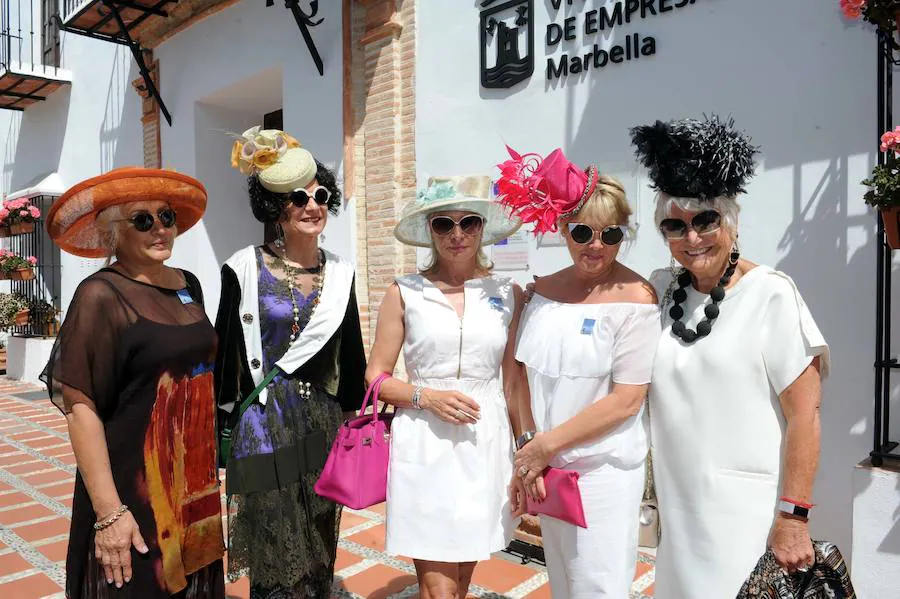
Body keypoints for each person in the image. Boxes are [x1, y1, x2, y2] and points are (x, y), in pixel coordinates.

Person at [630, 115, 830, 598]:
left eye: (705, 220)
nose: (692, 237)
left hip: (749, 513)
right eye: (675, 226)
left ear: (730, 221)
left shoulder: (771, 295)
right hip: (681, 514)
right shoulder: (658, 290)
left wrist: (793, 516)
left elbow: (805, 415)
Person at [41, 168, 224, 597]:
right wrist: (108, 513)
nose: (159, 228)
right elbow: (80, 405)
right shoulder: (101, 295)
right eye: (142, 220)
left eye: (166, 217)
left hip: (191, 484)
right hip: (134, 491)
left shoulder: (187, 285)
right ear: (113, 234)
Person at [498, 147, 660, 598]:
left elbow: (627, 400)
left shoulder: (636, 298)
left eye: (610, 234)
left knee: (598, 586)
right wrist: (528, 444)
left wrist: (542, 448)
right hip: (546, 467)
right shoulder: (541, 292)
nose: (595, 245)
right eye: (582, 231)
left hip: (601, 472)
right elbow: (517, 373)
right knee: (564, 583)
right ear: (563, 229)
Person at [215, 126, 367, 598]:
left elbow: (351, 352)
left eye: (320, 195)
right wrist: (219, 423)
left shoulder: (341, 273)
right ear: (276, 209)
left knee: (319, 537)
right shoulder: (243, 267)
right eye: (298, 198)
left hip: (319, 421)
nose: (311, 206)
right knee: (272, 543)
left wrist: (354, 419)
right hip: (263, 422)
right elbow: (226, 353)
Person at [365, 176, 523, 599]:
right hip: (424, 441)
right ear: (429, 231)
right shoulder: (404, 292)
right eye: (443, 224)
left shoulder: (508, 293)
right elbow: (376, 377)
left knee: (462, 582)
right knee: (438, 591)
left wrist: (526, 448)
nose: (457, 234)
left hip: (485, 441)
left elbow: (512, 381)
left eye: (469, 222)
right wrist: (426, 397)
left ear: (482, 228)